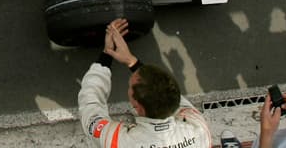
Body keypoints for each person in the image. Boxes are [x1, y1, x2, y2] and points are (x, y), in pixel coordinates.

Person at [78, 18, 212, 148]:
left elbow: (90, 106)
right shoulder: (199, 131)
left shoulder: (118, 142)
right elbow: (171, 98)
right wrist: (131, 60)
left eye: (130, 86)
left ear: (138, 106)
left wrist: (107, 53)